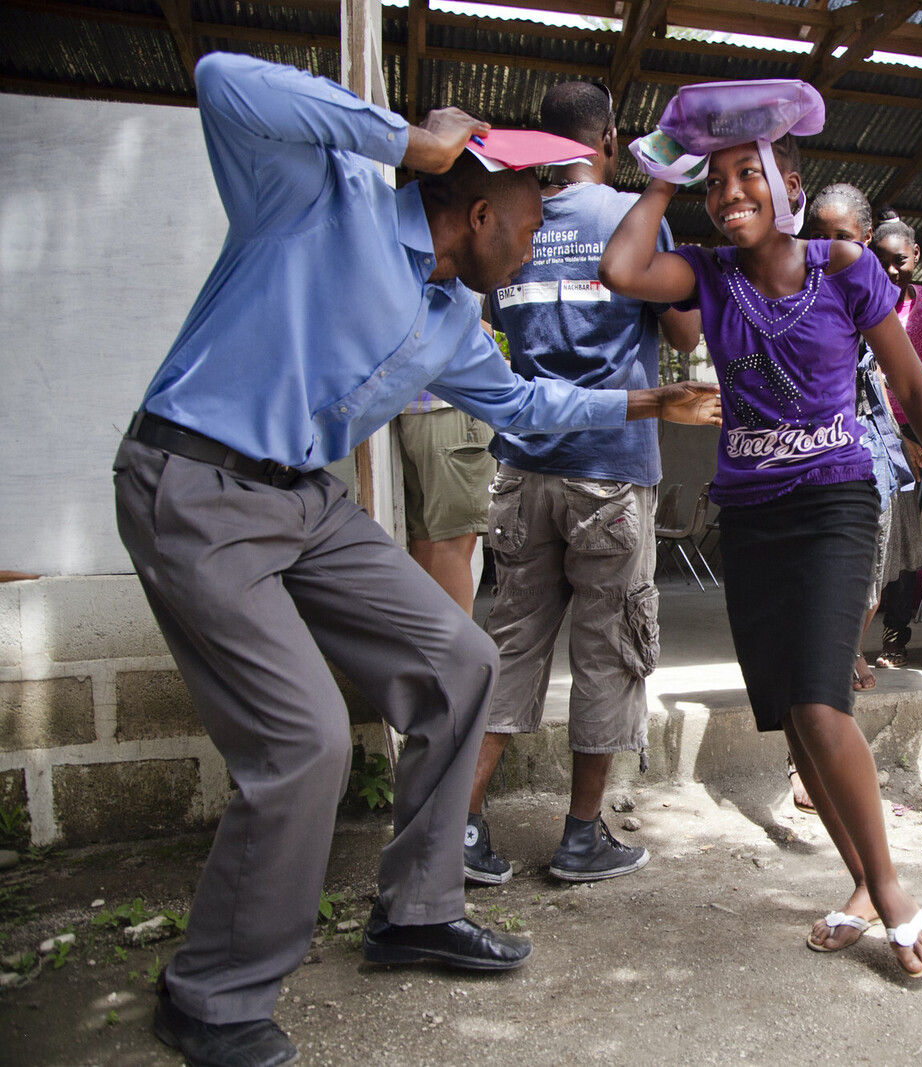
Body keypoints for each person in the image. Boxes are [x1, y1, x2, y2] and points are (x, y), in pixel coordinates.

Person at [113, 53, 717, 1067]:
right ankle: (211, 992)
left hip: (303, 497)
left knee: (461, 660)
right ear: (476, 214)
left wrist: (648, 402)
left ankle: (417, 911)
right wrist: (402, 139)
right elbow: (222, 78)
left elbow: (524, 405)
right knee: (304, 739)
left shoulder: (449, 318)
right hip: (194, 482)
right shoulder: (321, 197)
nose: (529, 255)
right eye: (525, 231)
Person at [599, 80, 922, 979]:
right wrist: (663, 175)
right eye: (719, 181)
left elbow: (913, 395)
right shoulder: (706, 271)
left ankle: (890, 890)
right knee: (794, 721)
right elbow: (625, 270)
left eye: (751, 176)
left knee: (823, 699)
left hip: (834, 503)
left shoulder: (844, 268)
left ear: (787, 186)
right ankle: (859, 884)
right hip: (752, 516)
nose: (731, 195)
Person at [463, 80, 702, 886]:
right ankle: (580, 836)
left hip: (522, 468)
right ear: (606, 139)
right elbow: (685, 328)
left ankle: (460, 830)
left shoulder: (516, 218)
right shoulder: (630, 219)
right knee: (610, 652)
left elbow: (507, 323)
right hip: (610, 472)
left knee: (511, 648)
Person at [781, 183, 922, 816]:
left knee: (863, 595)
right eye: (819, 234)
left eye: (842, 237)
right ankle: (805, 762)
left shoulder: (874, 298)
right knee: (827, 610)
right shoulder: (804, 294)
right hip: (820, 472)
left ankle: (833, 685)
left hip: (868, 464)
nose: (827, 248)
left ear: (864, 240)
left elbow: (912, 389)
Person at [870, 210, 922, 670]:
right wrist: (900, 440)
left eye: (899, 260)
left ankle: (896, 638)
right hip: (878, 428)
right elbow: (872, 377)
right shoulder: (869, 304)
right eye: (881, 262)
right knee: (879, 534)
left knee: (907, 538)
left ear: (916, 255)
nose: (892, 271)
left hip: (915, 430)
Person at [397, 389, 497, 613]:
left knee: (425, 538)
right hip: (454, 403)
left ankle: (429, 644)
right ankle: (455, 646)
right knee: (454, 540)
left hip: (410, 409)